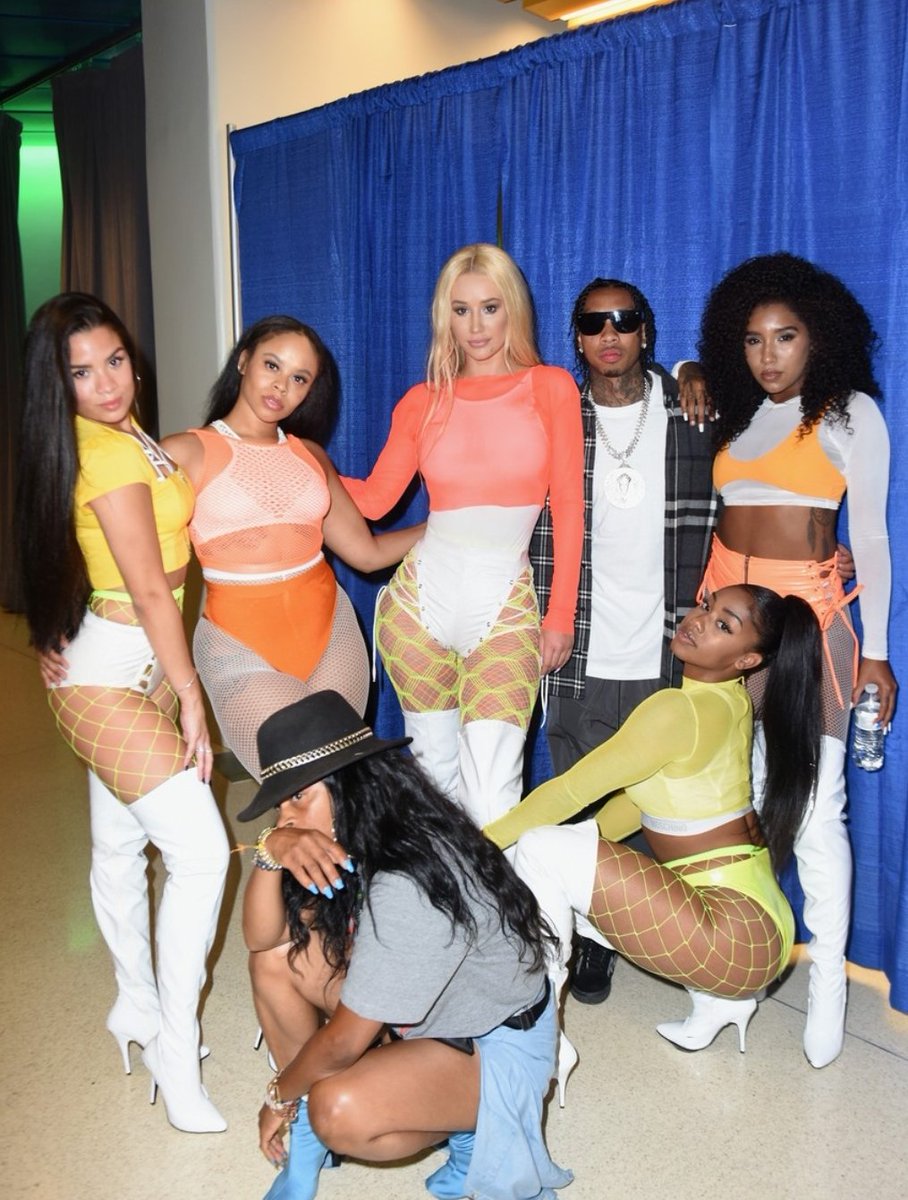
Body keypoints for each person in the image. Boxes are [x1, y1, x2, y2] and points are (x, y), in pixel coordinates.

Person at [15, 293, 229, 1132]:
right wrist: (191, 694)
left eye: (114, 360)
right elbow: (146, 589)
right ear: (57, 385)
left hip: (133, 659)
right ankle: (175, 1048)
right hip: (110, 676)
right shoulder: (103, 453)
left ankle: (134, 1004)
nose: (106, 382)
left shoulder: (130, 436)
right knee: (202, 854)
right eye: (81, 372)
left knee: (118, 843)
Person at [239, 691, 572, 1200]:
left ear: (349, 785)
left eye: (299, 797)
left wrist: (279, 1095)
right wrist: (270, 850)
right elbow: (261, 939)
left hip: (492, 1044)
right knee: (277, 961)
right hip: (432, 1015)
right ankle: (315, 1124)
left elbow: (343, 1043)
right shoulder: (369, 833)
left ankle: (466, 1130)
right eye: (280, 805)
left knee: (337, 1108)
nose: (287, 818)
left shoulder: (407, 878)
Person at [485, 584, 822, 1085]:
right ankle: (718, 1005)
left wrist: (476, 844)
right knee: (549, 854)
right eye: (706, 604)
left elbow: (569, 791)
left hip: (732, 936)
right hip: (763, 926)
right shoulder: (730, 701)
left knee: (538, 847)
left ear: (747, 660)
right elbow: (640, 806)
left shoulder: (676, 710)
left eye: (723, 624)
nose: (699, 620)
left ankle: (541, 1037)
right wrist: (563, 850)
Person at [697, 252, 897, 1068]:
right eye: (752, 339)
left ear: (820, 337)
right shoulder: (737, 411)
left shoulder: (849, 414)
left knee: (816, 814)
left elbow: (871, 537)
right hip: (727, 630)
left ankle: (829, 987)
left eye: (785, 336)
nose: (768, 355)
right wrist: (689, 372)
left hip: (812, 625)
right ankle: (730, 980)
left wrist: (876, 653)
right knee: (733, 805)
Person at [340, 244, 584, 827]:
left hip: (504, 609)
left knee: (493, 797)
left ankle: (496, 894)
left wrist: (560, 615)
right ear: (443, 317)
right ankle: (441, 889)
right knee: (434, 785)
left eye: (490, 308)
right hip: (417, 608)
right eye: (460, 310)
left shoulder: (550, 388)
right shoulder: (422, 401)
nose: (476, 327)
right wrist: (297, 462)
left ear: (512, 310)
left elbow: (570, 510)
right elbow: (374, 499)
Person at [531, 277, 717, 1005]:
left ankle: (650, 930)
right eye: (593, 323)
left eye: (624, 319)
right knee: (579, 805)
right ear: (576, 338)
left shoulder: (696, 410)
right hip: (577, 651)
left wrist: (694, 371)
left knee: (653, 811)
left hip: (667, 653)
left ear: (647, 330)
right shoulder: (553, 419)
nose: (609, 334)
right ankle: (587, 936)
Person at [161, 316, 423, 779]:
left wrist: (445, 525)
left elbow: (366, 554)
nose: (282, 386)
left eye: (299, 378)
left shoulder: (311, 455)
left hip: (332, 634)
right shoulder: (184, 452)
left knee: (337, 785)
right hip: (237, 643)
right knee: (296, 782)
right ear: (243, 360)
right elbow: (143, 568)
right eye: (272, 365)